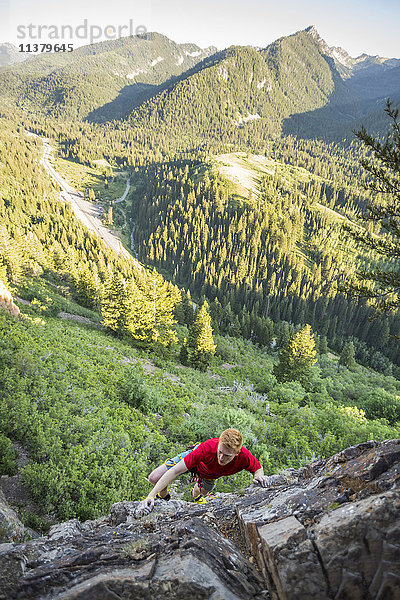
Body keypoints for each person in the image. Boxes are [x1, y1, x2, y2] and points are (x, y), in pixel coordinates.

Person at [136, 428, 272, 517]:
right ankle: (164, 496)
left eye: (227, 456)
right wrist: (151, 495)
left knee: (202, 492)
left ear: (237, 453)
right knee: (154, 477)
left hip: (210, 474)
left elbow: (257, 469)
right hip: (196, 460)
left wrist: (259, 477)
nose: (221, 458)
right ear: (218, 444)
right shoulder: (207, 448)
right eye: (220, 452)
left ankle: (195, 494)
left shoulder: (244, 457)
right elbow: (176, 470)